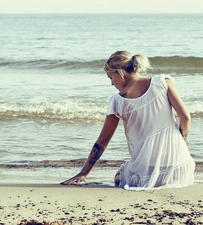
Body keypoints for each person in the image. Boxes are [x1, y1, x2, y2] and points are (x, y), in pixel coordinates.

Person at [61, 51, 195, 190]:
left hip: (145, 170)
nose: (112, 83)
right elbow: (185, 118)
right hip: (179, 167)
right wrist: (179, 144)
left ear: (120, 73)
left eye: (111, 77)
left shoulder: (118, 101)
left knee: (119, 176)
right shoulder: (163, 82)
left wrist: (84, 173)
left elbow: (103, 141)